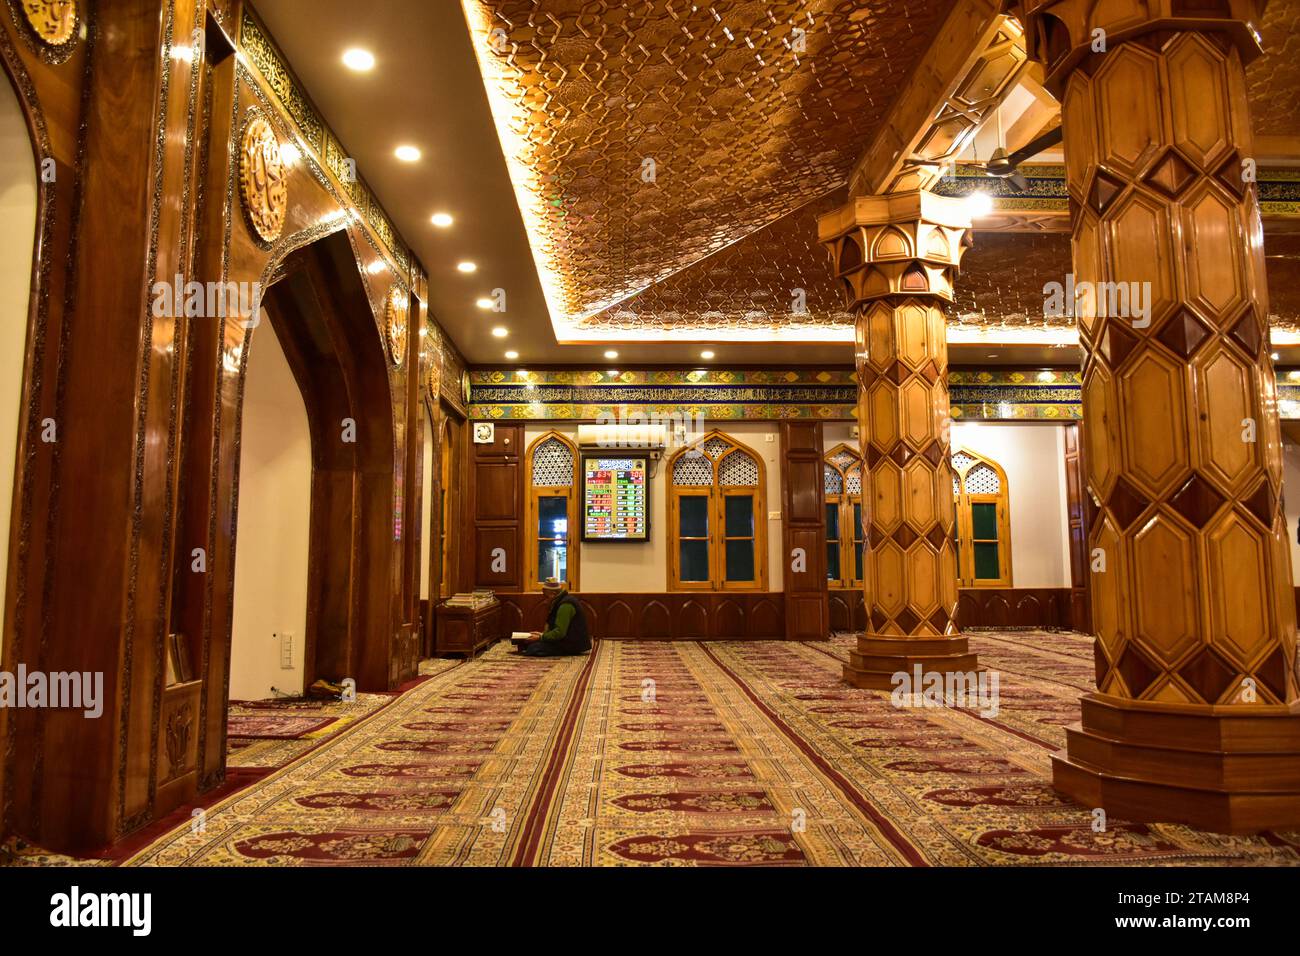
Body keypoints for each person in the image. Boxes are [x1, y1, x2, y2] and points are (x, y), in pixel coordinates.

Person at [519, 577, 591, 657]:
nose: (545, 600)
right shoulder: (560, 601)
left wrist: (541, 637)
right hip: (566, 640)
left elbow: (559, 633)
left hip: (572, 644)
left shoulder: (566, 605)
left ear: (553, 594)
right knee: (530, 643)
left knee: (534, 648)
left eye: (546, 597)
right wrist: (541, 635)